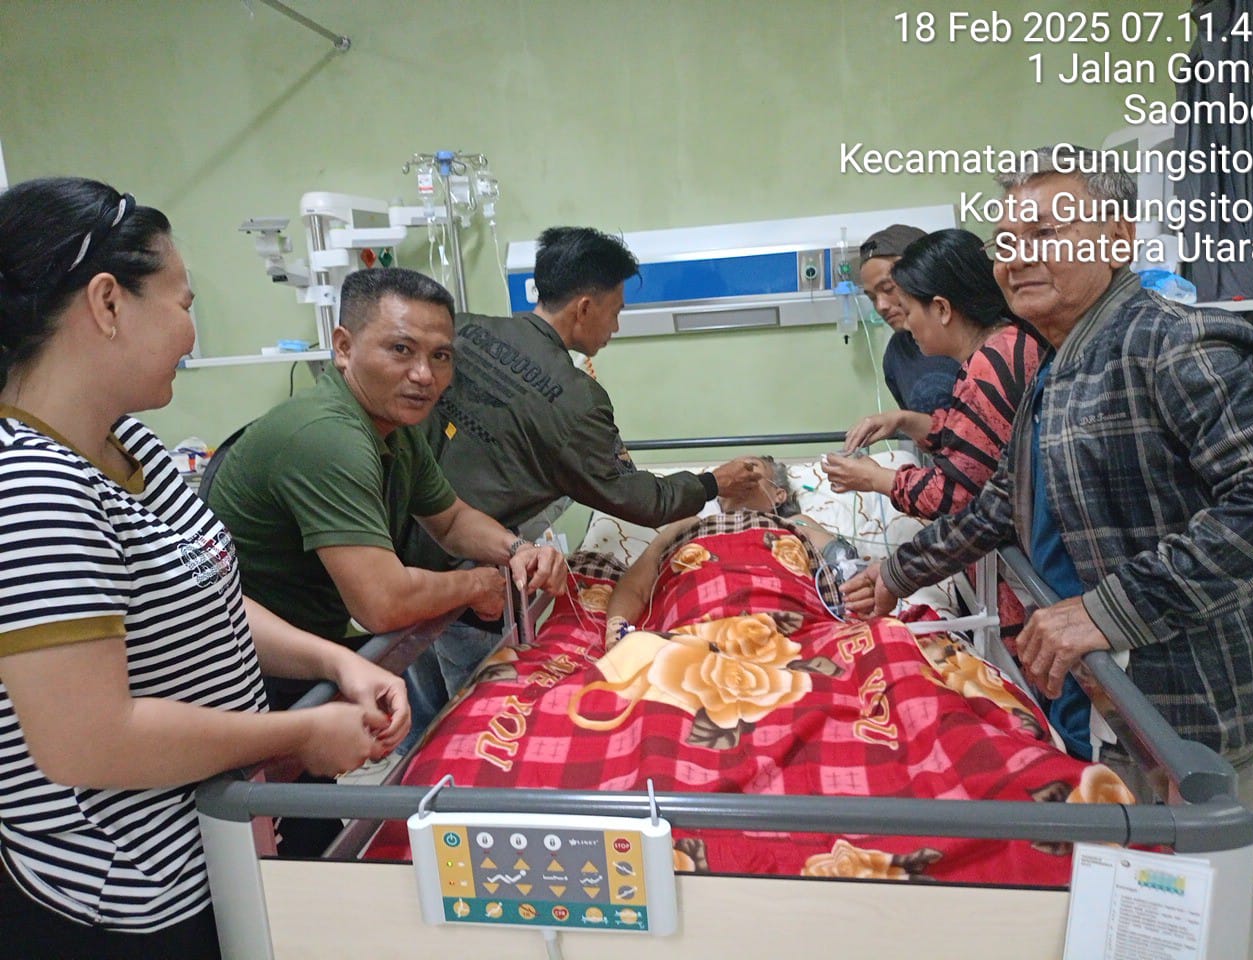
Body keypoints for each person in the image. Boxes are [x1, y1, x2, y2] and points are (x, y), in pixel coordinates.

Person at [0, 177, 409, 958]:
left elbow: (204, 592)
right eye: (183, 304)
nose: (191, 335)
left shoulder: (130, 444)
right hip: (128, 897)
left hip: (221, 846)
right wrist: (299, 731)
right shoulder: (30, 488)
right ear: (108, 303)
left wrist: (335, 662)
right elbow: (90, 741)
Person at [844, 145, 1253, 776]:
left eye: (1046, 234)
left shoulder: (1172, 343)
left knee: (1167, 832)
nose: (1017, 257)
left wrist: (1112, 608)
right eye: (1005, 241)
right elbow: (1002, 501)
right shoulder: (1058, 365)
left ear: (1118, 240)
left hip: (1176, 699)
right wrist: (898, 573)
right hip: (1091, 683)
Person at [403, 226, 763, 696]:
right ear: (585, 308)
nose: (616, 327)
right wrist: (714, 482)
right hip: (472, 582)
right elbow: (642, 500)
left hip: (399, 556)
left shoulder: (461, 329)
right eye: (616, 312)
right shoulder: (576, 401)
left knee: (413, 704)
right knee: (469, 705)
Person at [207, 267, 568, 713]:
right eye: (401, 349)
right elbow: (383, 602)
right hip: (249, 675)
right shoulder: (327, 437)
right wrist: (476, 584)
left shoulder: (396, 426)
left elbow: (451, 520)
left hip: (310, 648)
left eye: (441, 356)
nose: (424, 374)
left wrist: (517, 549)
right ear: (344, 347)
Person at [823, 229, 1045, 520]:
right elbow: (977, 440)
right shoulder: (1013, 340)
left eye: (908, 310)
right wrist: (905, 420)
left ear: (941, 308)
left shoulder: (988, 367)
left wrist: (875, 478)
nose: (903, 323)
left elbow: (955, 497)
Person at [604, 454, 850, 643]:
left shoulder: (796, 524)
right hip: (692, 629)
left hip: (788, 627)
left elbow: (846, 566)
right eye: (732, 469)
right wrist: (617, 629)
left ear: (779, 495)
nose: (739, 472)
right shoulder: (689, 525)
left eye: (751, 466)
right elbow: (636, 585)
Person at [857, 224, 960, 415]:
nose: (881, 306)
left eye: (888, 289)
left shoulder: (975, 336)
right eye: (872, 298)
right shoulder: (897, 355)